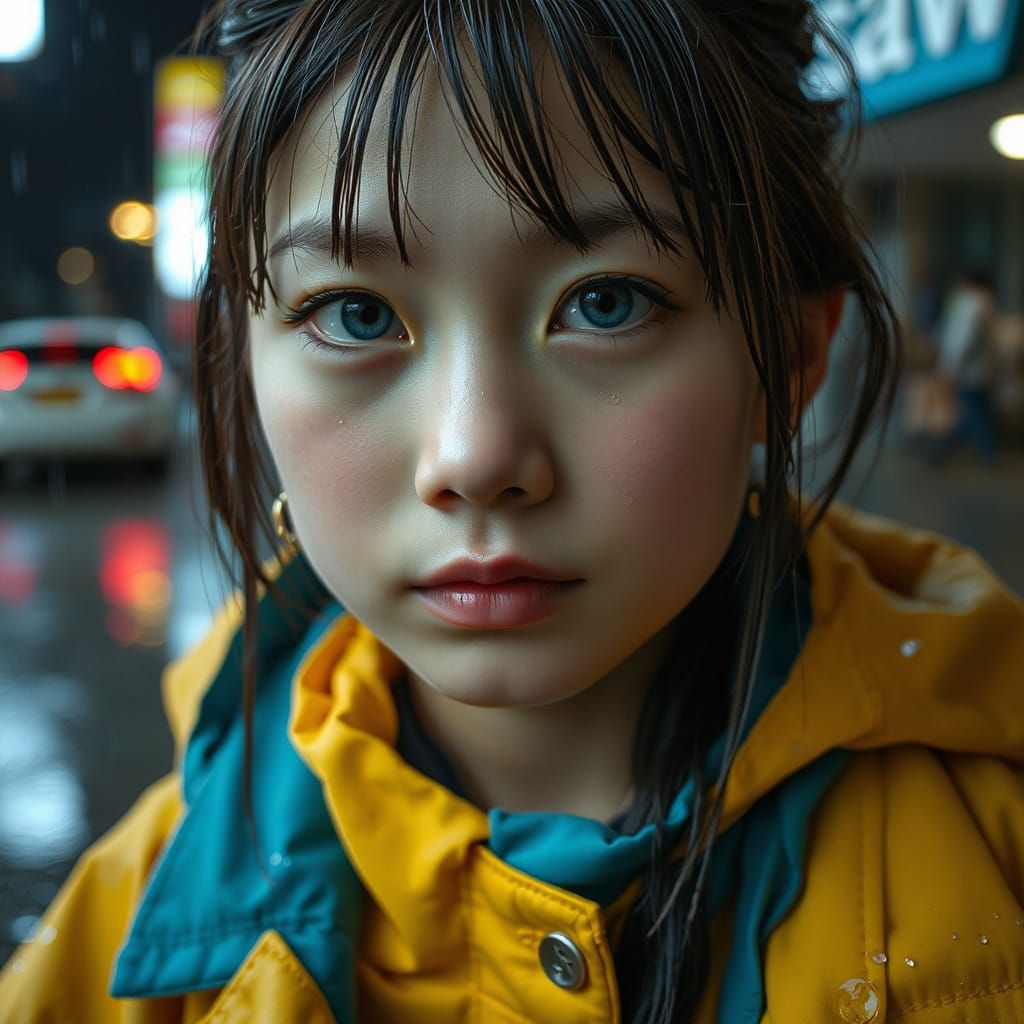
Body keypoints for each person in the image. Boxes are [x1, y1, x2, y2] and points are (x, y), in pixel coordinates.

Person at [2, 1, 1022, 1021]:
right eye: (355, 313)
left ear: (790, 357)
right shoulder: (128, 930)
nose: (474, 456)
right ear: (249, 361)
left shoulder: (997, 850)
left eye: (605, 301)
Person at [931, 267, 1000, 465]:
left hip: (971, 371)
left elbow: (963, 338)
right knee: (977, 411)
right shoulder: (985, 302)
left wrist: (951, 367)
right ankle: (950, 448)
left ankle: (948, 448)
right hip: (978, 370)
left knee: (974, 413)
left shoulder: (972, 303)